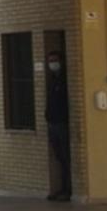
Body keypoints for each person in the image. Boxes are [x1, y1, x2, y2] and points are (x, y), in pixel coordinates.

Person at [44, 46, 72, 201]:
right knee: (59, 157)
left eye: (54, 61)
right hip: (53, 123)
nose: (52, 63)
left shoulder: (64, 79)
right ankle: (61, 188)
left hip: (62, 123)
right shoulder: (53, 79)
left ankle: (68, 190)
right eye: (50, 61)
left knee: (66, 157)